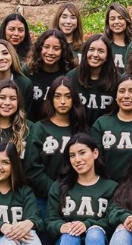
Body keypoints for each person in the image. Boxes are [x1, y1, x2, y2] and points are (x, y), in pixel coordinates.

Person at [45, 134, 118, 245]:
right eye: (72, 155)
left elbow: (112, 221)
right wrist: (62, 227)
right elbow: (49, 221)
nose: (77, 159)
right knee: (70, 233)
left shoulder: (111, 187)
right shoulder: (60, 186)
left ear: (95, 153)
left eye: (82, 153)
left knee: (95, 232)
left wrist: (86, 225)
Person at [24, 76, 88, 214]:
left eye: (68, 96)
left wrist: (72, 190)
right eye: (57, 96)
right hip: (43, 199)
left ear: (74, 99)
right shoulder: (40, 128)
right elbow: (32, 169)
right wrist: (55, 191)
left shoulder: (82, 130)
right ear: (51, 99)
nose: (63, 101)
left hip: (76, 198)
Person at [22, 29, 78, 122]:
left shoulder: (70, 72)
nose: (50, 52)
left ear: (63, 50)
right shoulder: (28, 70)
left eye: (56, 48)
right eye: (46, 47)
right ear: (40, 48)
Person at [66, 34, 118, 126]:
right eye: (91, 49)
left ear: (107, 56)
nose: (95, 55)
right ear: (85, 52)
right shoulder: (72, 77)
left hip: (105, 132)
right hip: (76, 130)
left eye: (101, 51)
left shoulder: (117, 80)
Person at [104, 3, 132, 74]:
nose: (116, 22)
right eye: (112, 19)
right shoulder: (103, 44)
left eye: (120, 18)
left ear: (126, 20)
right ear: (108, 22)